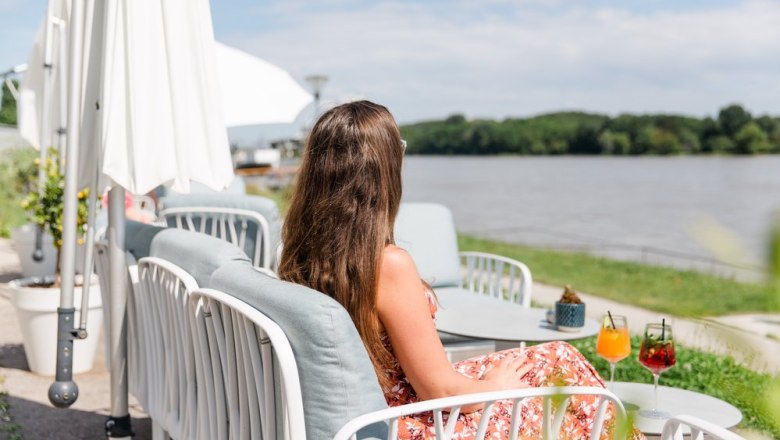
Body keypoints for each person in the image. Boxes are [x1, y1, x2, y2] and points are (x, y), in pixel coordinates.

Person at [278, 100, 642, 439]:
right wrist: (496, 387)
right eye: (398, 150)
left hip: (380, 408)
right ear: (381, 168)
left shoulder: (303, 253)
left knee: (554, 356)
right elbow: (440, 390)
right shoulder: (387, 264)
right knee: (564, 373)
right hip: (416, 420)